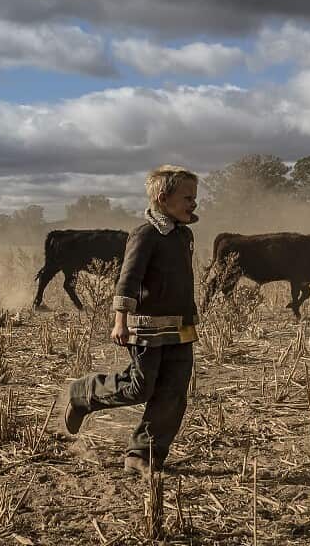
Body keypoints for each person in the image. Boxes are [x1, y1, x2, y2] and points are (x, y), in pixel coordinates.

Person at [60, 164, 199, 475]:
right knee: (140, 387)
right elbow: (128, 278)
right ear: (163, 198)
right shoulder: (145, 234)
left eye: (195, 197)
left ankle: (143, 453)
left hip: (181, 327)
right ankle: (84, 394)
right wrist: (119, 320)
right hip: (147, 327)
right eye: (187, 197)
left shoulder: (184, 235)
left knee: (173, 393)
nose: (194, 203)